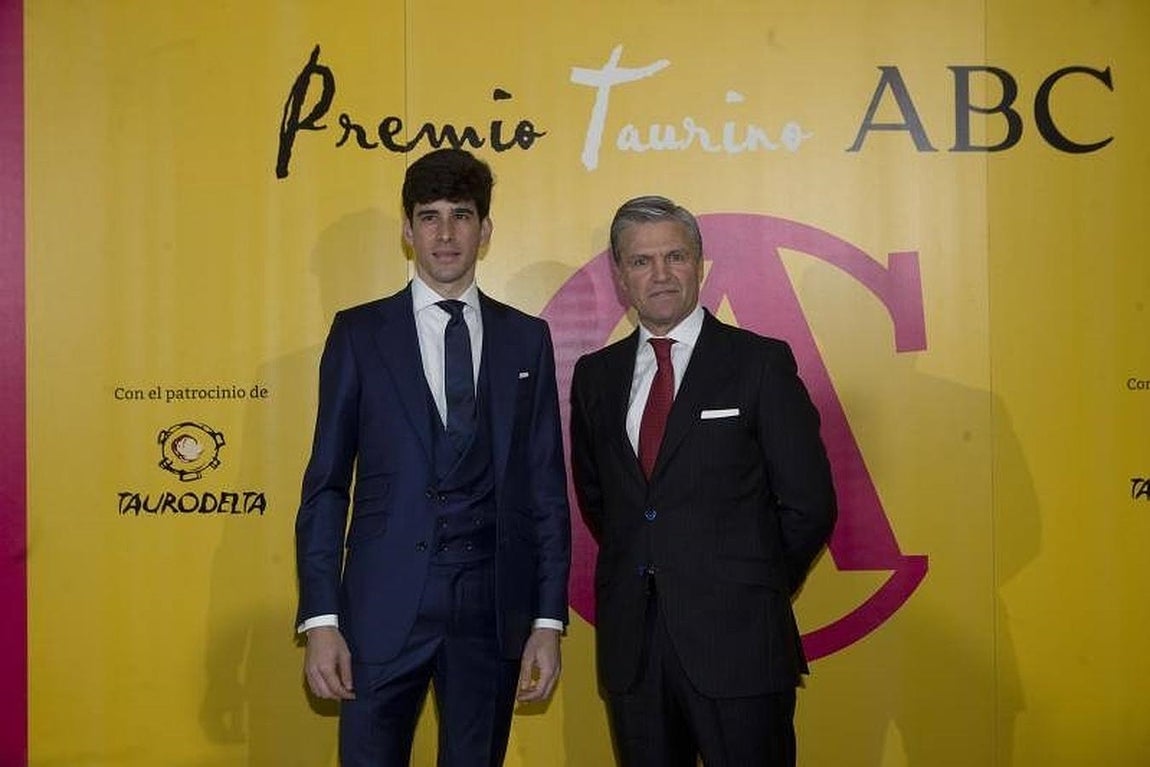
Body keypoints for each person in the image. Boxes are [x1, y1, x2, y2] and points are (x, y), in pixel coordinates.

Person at [295, 148, 570, 766]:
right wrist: (321, 619)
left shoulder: (528, 338)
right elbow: (327, 485)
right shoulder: (359, 334)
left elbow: (544, 487)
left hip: (492, 613)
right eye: (429, 216)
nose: (446, 234)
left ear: (486, 230)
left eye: (462, 216)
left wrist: (547, 622)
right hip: (380, 608)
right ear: (407, 230)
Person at [569, 195, 836, 766]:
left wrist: (750, 583)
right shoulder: (596, 377)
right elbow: (604, 501)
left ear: (699, 263)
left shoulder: (759, 363)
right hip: (634, 652)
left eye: (675, 256)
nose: (660, 274)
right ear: (620, 275)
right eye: (641, 262)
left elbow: (809, 503)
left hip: (740, 643)